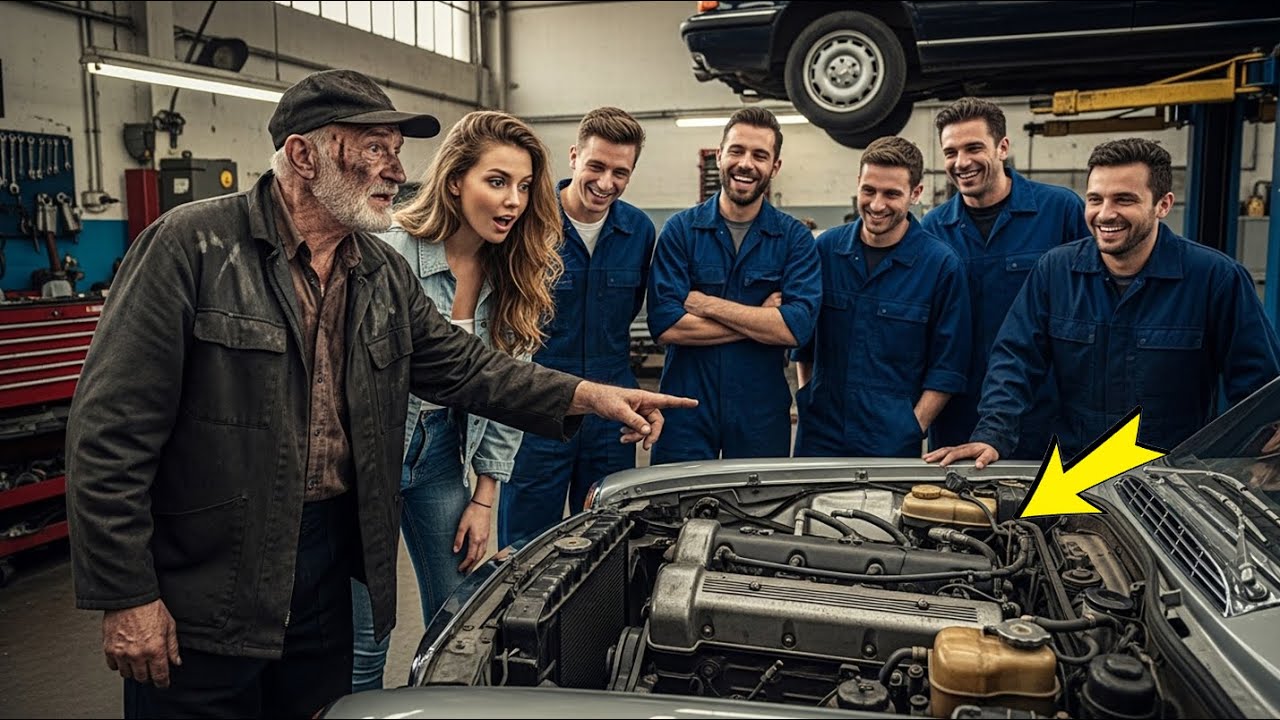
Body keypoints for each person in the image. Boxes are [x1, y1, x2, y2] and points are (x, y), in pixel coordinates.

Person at [64, 68, 695, 719]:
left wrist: (592, 396)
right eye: (373, 149)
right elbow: (110, 431)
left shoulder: (376, 271)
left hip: (328, 563)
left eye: (396, 150)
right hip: (208, 579)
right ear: (304, 154)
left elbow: (471, 368)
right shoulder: (190, 246)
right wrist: (127, 594)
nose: (395, 170)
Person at [347, 110, 563, 692]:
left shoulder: (515, 271)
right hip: (369, 456)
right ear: (453, 182)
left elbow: (508, 390)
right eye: (497, 181)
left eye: (523, 186)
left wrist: (485, 495)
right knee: (366, 640)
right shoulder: (387, 254)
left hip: (441, 458)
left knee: (458, 625)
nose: (513, 200)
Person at [925, 138, 1280, 469]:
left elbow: (1257, 389)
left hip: (1172, 482)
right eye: (1095, 199)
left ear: (1163, 205)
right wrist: (994, 435)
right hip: (1073, 474)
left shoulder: (1215, 279)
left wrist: (1254, 462)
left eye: (1124, 200)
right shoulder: (1056, 272)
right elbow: (1014, 360)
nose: (1105, 214)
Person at [498, 107, 656, 549]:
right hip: (539, 406)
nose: (606, 182)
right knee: (525, 547)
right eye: (596, 166)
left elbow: (631, 309)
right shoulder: (527, 219)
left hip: (611, 409)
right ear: (573, 157)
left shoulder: (639, 230)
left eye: (620, 172)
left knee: (609, 539)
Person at [646, 107, 822, 463]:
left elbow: (796, 328)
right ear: (721, 154)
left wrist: (706, 305)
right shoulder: (681, 231)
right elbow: (665, 324)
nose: (746, 164)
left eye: (760, 155)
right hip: (686, 408)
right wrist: (762, 319)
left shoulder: (795, 239)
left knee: (759, 515)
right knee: (675, 513)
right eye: (737, 151)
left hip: (761, 412)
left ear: (775, 167)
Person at [921, 97, 1091, 460]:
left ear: (1002, 147)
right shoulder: (933, 228)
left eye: (973, 148)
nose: (961, 162)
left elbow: (1093, 304)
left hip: (1045, 412)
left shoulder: (1060, 210)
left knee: (1047, 515)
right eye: (950, 152)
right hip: (957, 416)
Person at [793, 136, 970, 458]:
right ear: (858, 184)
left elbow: (948, 367)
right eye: (868, 190)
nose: (876, 205)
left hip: (891, 440)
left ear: (916, 194)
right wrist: (808, 397)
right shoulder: (825, 252)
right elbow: (804, 344)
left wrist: (913, 426)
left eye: (892, 194)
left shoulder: (941, 266)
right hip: (819, 433)